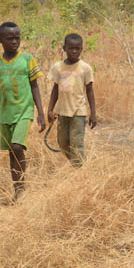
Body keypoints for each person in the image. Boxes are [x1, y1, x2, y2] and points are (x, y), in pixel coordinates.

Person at [0, 22, 46, 199]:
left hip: (24, 112)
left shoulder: (27, 59)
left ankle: (22, 183)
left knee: (17, 146)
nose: (15, 41)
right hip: (7, 115)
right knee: (11, 153)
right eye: (10, 38)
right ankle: (18, 190)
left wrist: (41, 112)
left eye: (17, 38)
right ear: (0, 40)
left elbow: (35, 86)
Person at [46, 33, 97, 168]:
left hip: (78, 112)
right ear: (64, 48)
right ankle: (76, 165)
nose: (74, 51)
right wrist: (50, 109)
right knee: (63, 143)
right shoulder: (58, 67)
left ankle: (79, 171)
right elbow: (55, 90)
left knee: (76, 143)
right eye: (71, 48)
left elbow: (90, 91)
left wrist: (93, 113)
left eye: (77, 48)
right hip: (62, 111)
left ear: (81, 49)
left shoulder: (85, 68)